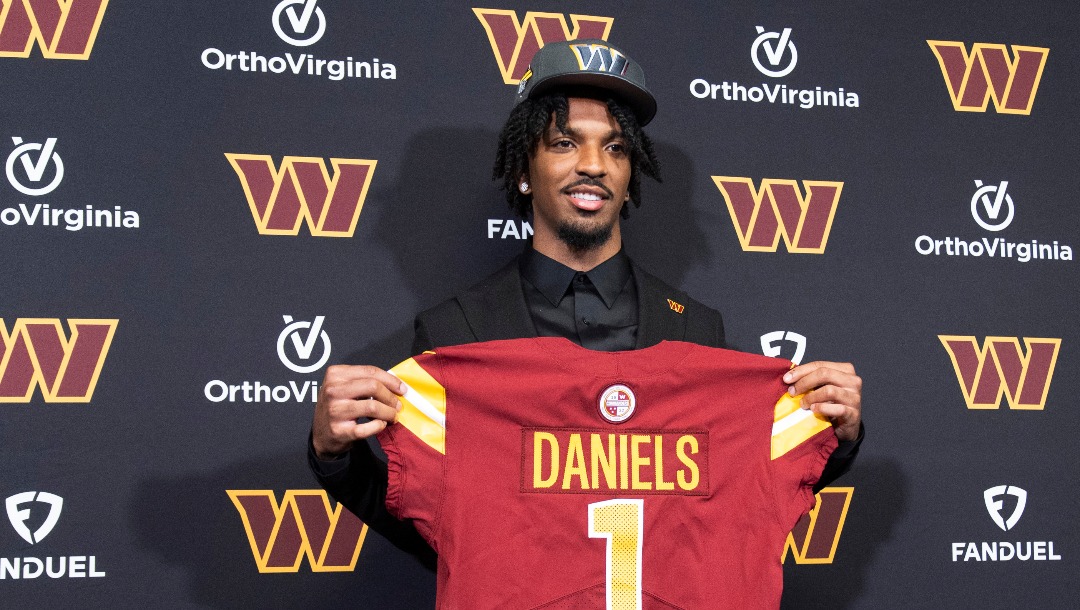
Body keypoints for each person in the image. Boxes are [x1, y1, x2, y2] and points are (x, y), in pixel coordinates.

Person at [308, 39, 863, 568]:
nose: (594, 164)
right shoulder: (455, 330)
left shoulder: (696, 327)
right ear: (523, 171)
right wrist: (336, 458)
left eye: (615, 147)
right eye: (565, 143)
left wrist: (829, 437)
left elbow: (735, 501)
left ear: (630, 173)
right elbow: (434, 527)